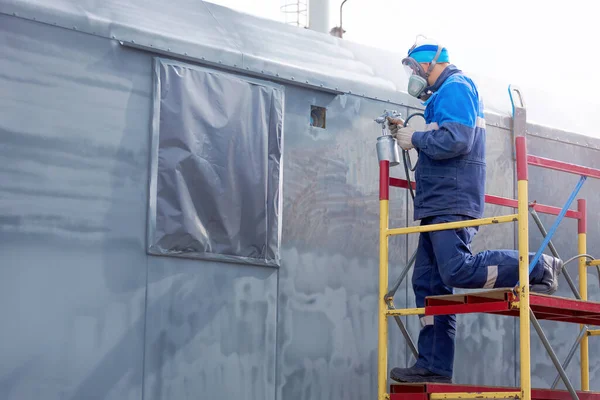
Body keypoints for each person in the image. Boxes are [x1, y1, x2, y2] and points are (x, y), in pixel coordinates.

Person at [386, 36, 563, 384]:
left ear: (429, 64)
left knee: (456, 271)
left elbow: (457, 140)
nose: (413, 76)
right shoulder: (441, 98)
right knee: (428, 284)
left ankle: (540, 266)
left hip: (451, 200)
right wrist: (409, 134)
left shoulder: (456, 86)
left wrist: (415, 139)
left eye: (414, 68)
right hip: (436, 202)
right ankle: (434, 365)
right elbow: (445, 137)